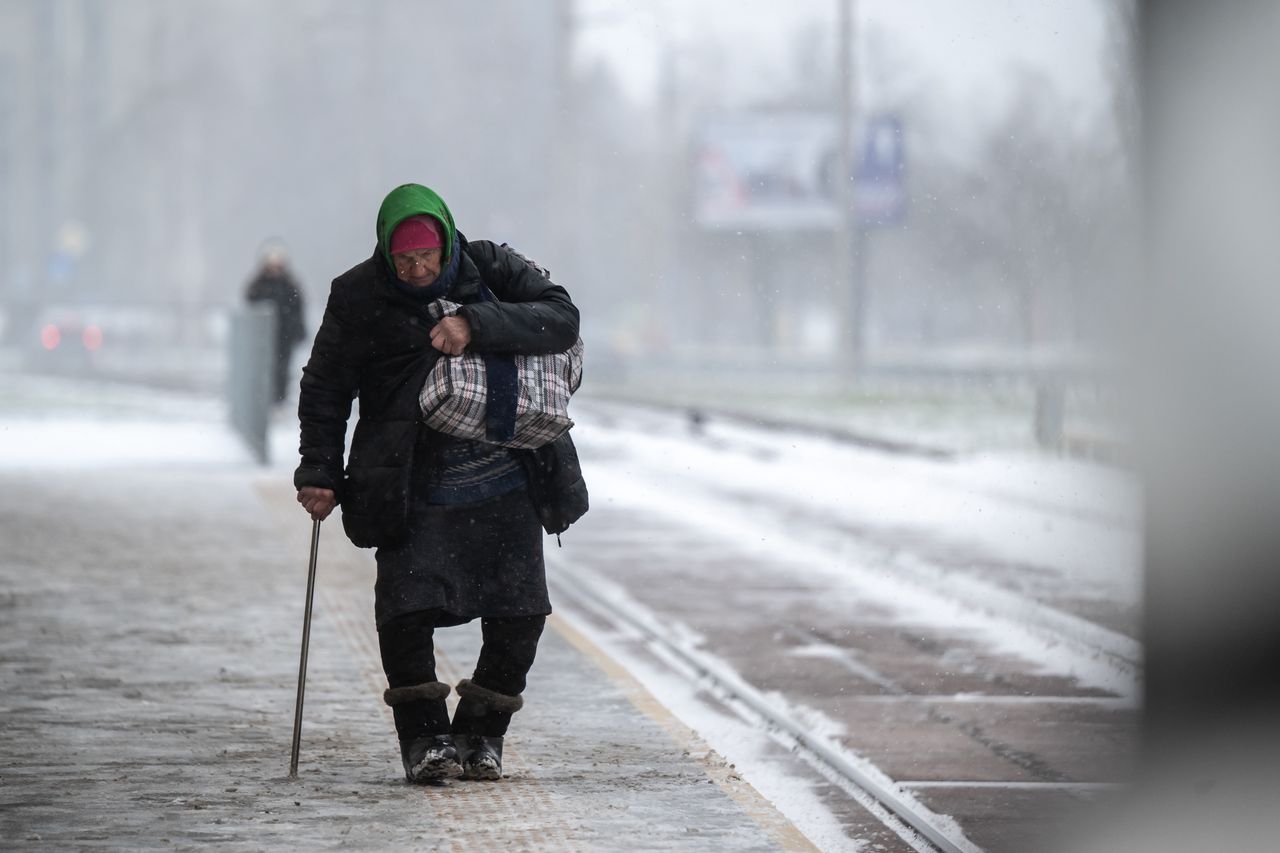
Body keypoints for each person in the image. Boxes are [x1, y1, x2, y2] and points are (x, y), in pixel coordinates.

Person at [293, 183, 585, 784]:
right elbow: (325, 388)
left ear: (447, 242)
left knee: (519, 614)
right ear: (385, 251)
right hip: (409, 481)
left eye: (427, 255)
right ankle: (424, 739)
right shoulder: (357, 295)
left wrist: (474, 322)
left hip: (506, 476)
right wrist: (319, 470)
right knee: (406, 612)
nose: (418, 269)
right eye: (404, 259)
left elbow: (561, 318)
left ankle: (482, 732)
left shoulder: (492, 266)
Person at [244, 245, 306, 404]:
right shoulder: (258, 285)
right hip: (262, 337)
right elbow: (249, 302)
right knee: (262, 368)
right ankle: (261, 399)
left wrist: (299, 331)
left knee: (282, 370)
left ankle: (279, 399)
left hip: (284, 336)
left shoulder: (290, 285)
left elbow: (298, 309)